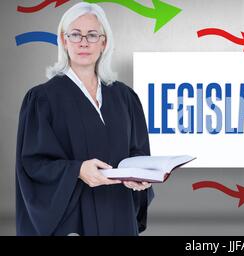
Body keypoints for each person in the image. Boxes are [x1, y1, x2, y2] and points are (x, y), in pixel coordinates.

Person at [15, 2, 154, 236]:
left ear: (104, 42)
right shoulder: (42, 99)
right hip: (73, 221)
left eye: (92, 35)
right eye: (75, 34)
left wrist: (140, 176)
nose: (83, 42)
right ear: (64, 40)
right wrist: (77, 170)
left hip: (119, 214)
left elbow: (137, 152)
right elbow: (33, 165)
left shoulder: (125, 97)